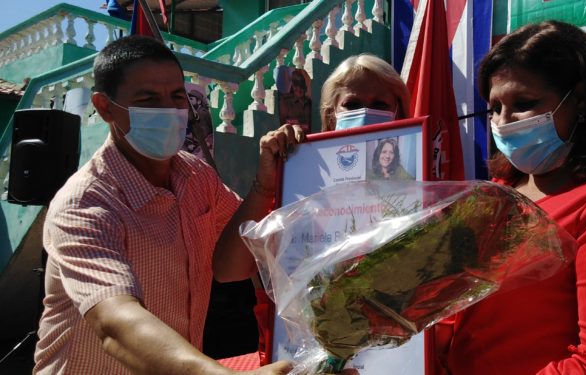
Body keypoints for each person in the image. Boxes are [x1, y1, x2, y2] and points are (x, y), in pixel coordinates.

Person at [34, 35, 302, 375]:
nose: (168, 110)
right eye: (148, 100)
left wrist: (263, 186)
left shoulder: (195, 175)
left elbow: (239, 258)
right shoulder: (85, 205)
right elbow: (116, 323)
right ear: (104, 108)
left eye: (176, 96)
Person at [433, 21, 586, 374]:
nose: (504, 121)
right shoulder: (496, 195)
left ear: (580, 100)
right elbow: (458, 320)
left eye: (524, 103)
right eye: (494, 107)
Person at [320, 54, 410, 131]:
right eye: (351, 105)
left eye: (380, 105)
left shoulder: (420, 150)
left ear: (399, 114)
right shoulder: (310, 151)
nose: (365, 115)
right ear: (331, 117)